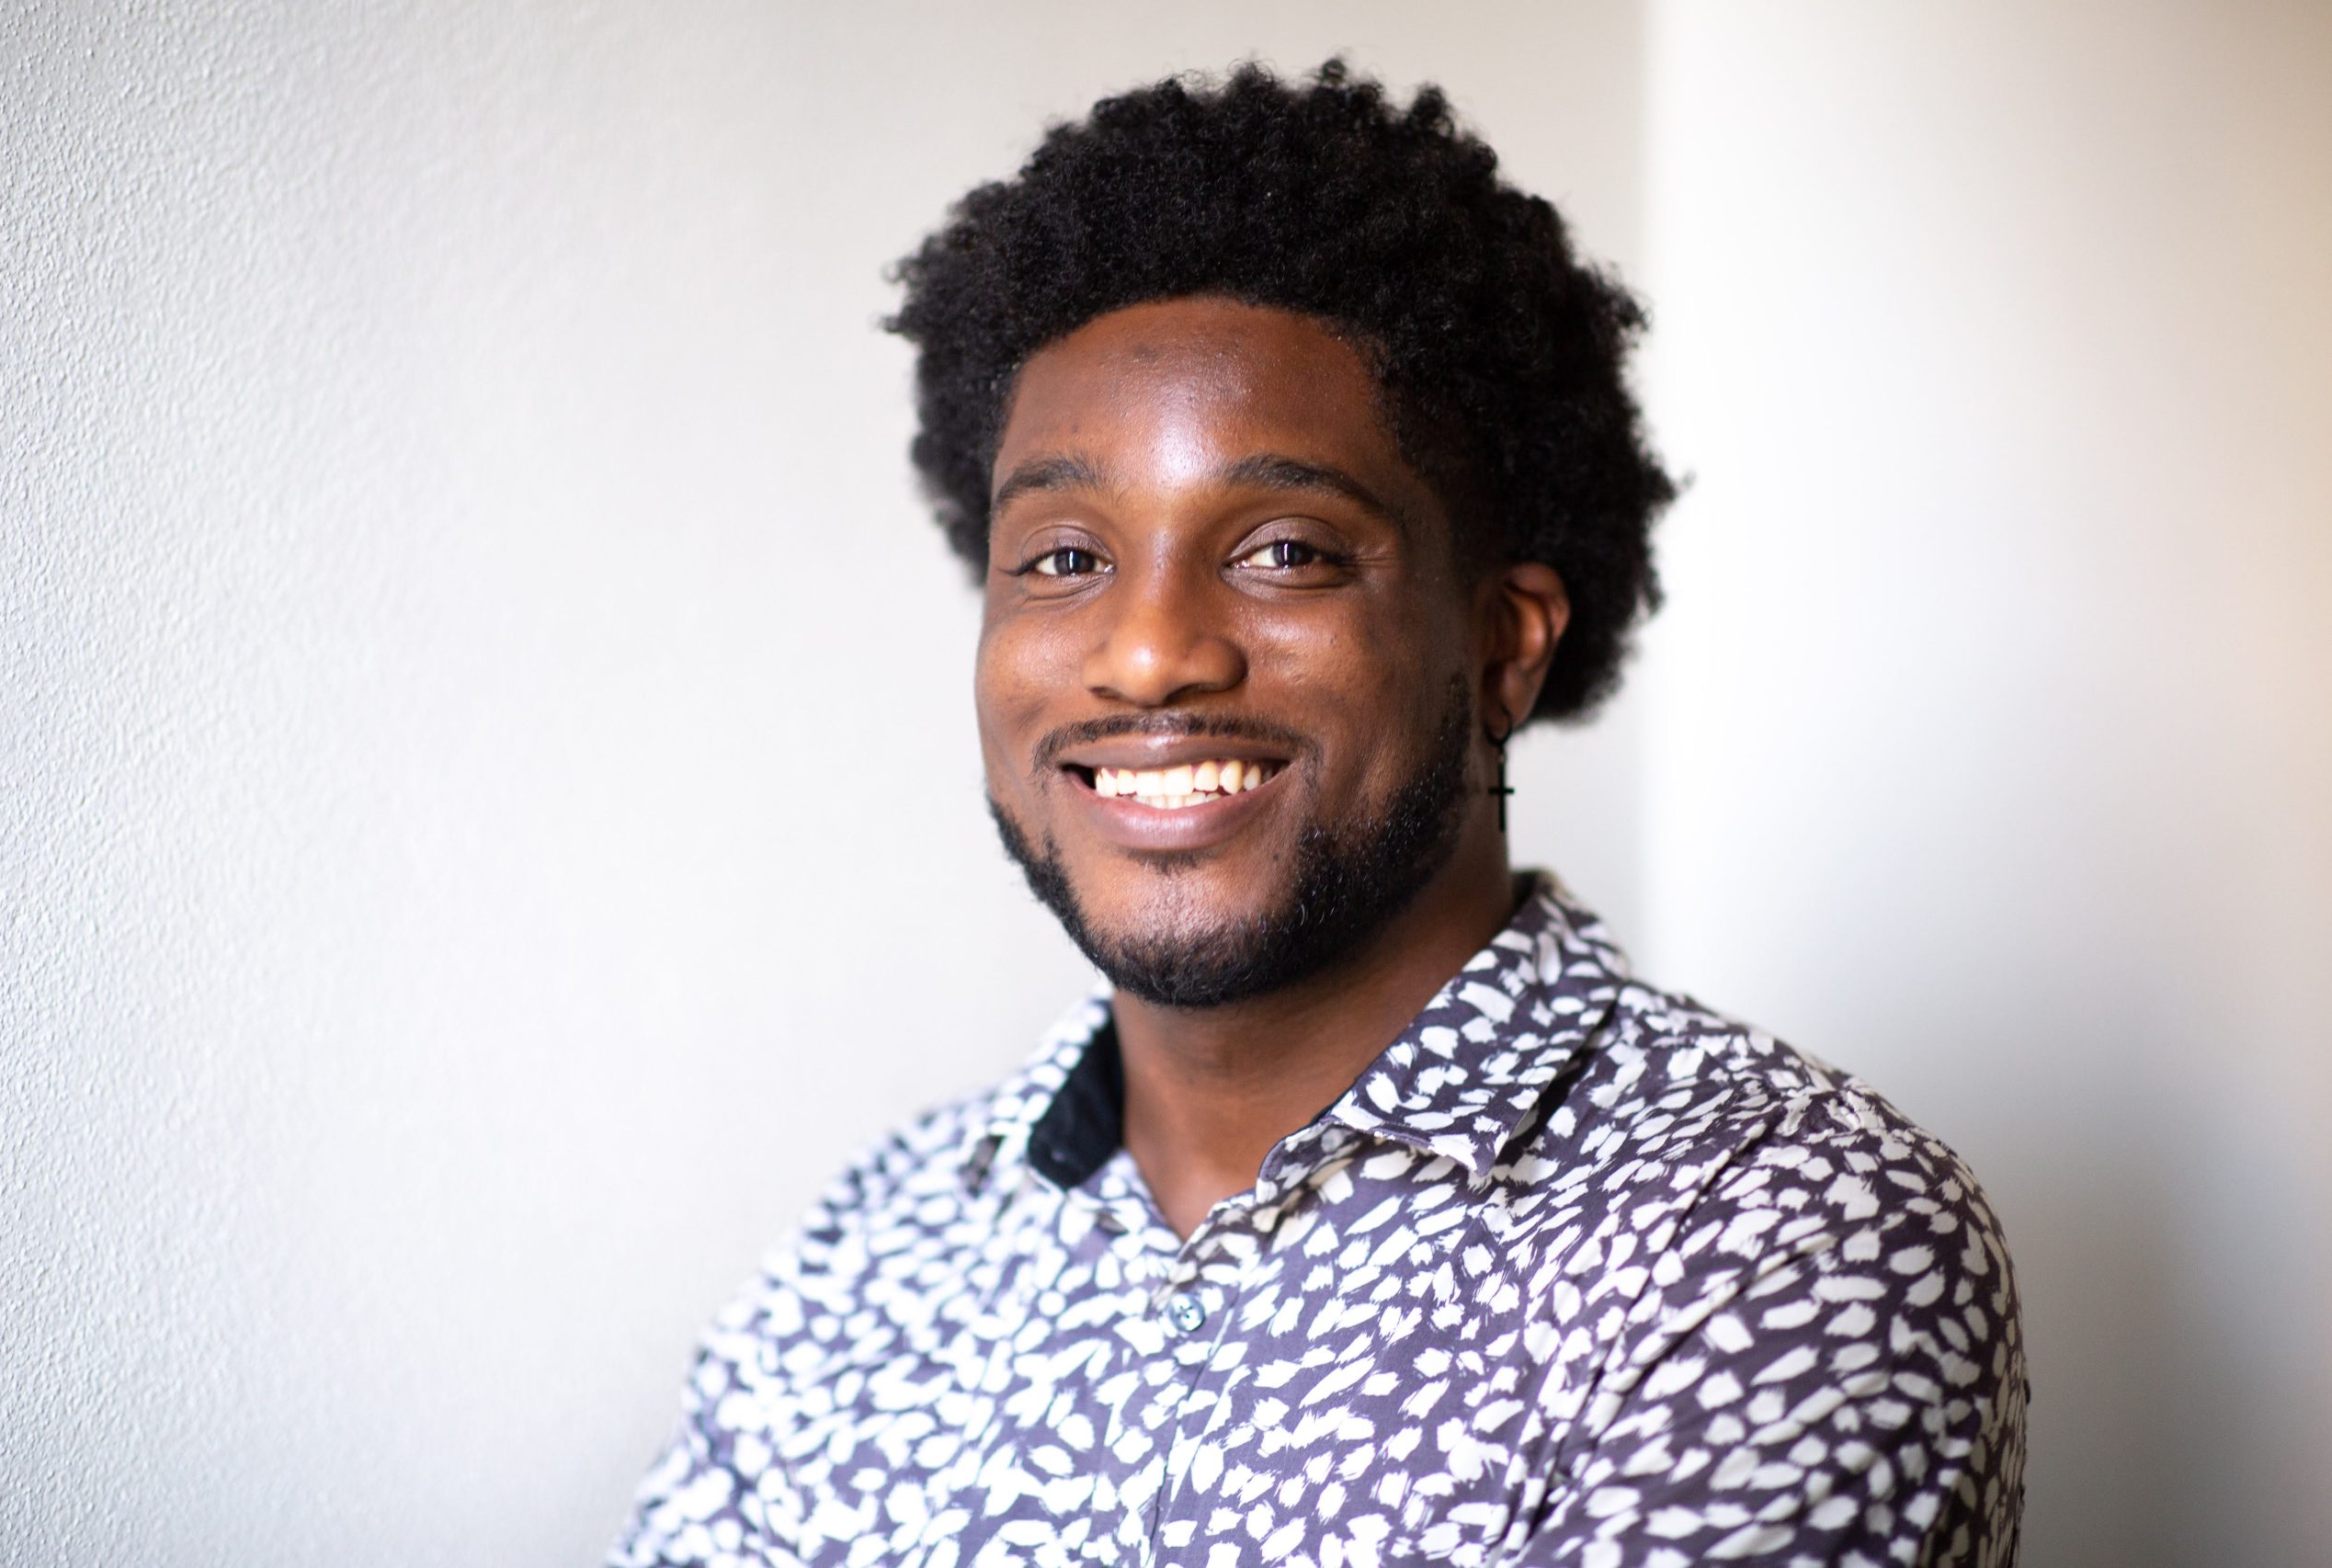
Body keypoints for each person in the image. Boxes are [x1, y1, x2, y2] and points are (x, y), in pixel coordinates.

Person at [611, 60, 2026, 1568]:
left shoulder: (1776, 1229)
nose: (1147, 649)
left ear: (1502, 645)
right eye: (1064, 557)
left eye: (1284, 549)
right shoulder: (866, 1257)